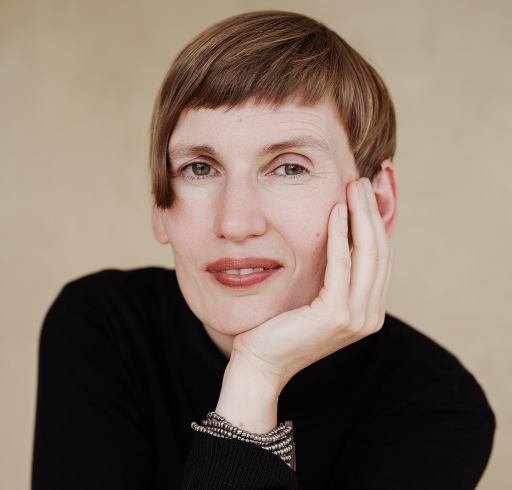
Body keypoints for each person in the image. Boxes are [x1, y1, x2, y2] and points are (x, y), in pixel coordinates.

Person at [32, 10, 496, 490]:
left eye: (290, 168)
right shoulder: (102, 326)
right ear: (159, 208)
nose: (235, 223)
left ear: (376, 205)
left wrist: (259, 371)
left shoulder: (439, 406)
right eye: (199, 168)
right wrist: (255, 381)